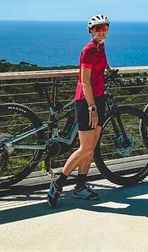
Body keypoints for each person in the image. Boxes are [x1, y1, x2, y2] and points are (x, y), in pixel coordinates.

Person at [47, 14, 114, 208]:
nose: (102, 31)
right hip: (86, 101)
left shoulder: (101, 47)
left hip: (99, 98)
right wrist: (92, 107)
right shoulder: (88, 50)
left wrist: (109, 70)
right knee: (85, 147)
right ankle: (57, 185)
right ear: (91, 31)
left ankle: (80, 187)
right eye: (98, 28)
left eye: (105, 28)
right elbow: (84, 81)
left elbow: (102, 64)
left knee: (92, 147)